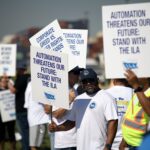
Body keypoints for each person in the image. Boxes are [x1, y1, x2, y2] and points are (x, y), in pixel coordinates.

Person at [49, 68, 118, 150]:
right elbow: (72, 122)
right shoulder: (78, 99)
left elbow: (113, 122)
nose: (88, 83)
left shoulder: (107, 98)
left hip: (99, 147)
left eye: (91, 80)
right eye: (85, 81)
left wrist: (108, 145)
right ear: (81, 83)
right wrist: (57, 128)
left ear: (97, 80)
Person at [45, 66, 84, 150]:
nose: (78, 76)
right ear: (67, 74)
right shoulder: (59, 89)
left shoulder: (74, 90)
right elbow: (56, 114)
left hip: (74, 140)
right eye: (76, 73)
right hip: (62, 141)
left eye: (79, 73)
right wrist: (68, 101)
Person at [120, 69, 150, 150]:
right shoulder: (138, 92)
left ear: (147, 76)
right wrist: (124, 141)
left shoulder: (140, 91)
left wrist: (136, 86)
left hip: (142, 145)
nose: (132, 76)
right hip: (129, 144)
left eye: (137, 73)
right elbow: (132, 119)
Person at [106, 79, 133, 150]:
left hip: (108, 142)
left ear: (113, 80)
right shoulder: (134, 93)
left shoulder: (105, 93)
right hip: (128, 141)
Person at [8, 64, 30, 150]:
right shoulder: (29, 78)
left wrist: (8, 81)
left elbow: (13, 90)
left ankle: (26, 148)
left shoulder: (22, 78)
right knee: (26, 131)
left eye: (18, 69)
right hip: (27, 109)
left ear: (21, 70)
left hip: (21, 109)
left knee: (24, 132)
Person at [24, 80, 50, 150]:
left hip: (43, 114)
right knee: (34, 137)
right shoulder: (31, 83)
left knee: (41, 135)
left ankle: (37, 147)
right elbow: (27, 96)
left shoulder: (45, 83)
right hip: (33, 114)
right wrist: (27, 106)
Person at [0, 76, 16, 150]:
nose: (4, 83)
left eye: (6, 81)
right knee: (1, 135)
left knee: (11, 134)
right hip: (0, 116)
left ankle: (13, 148)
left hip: (10, 116)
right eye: (2, 81)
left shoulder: (11, 90)